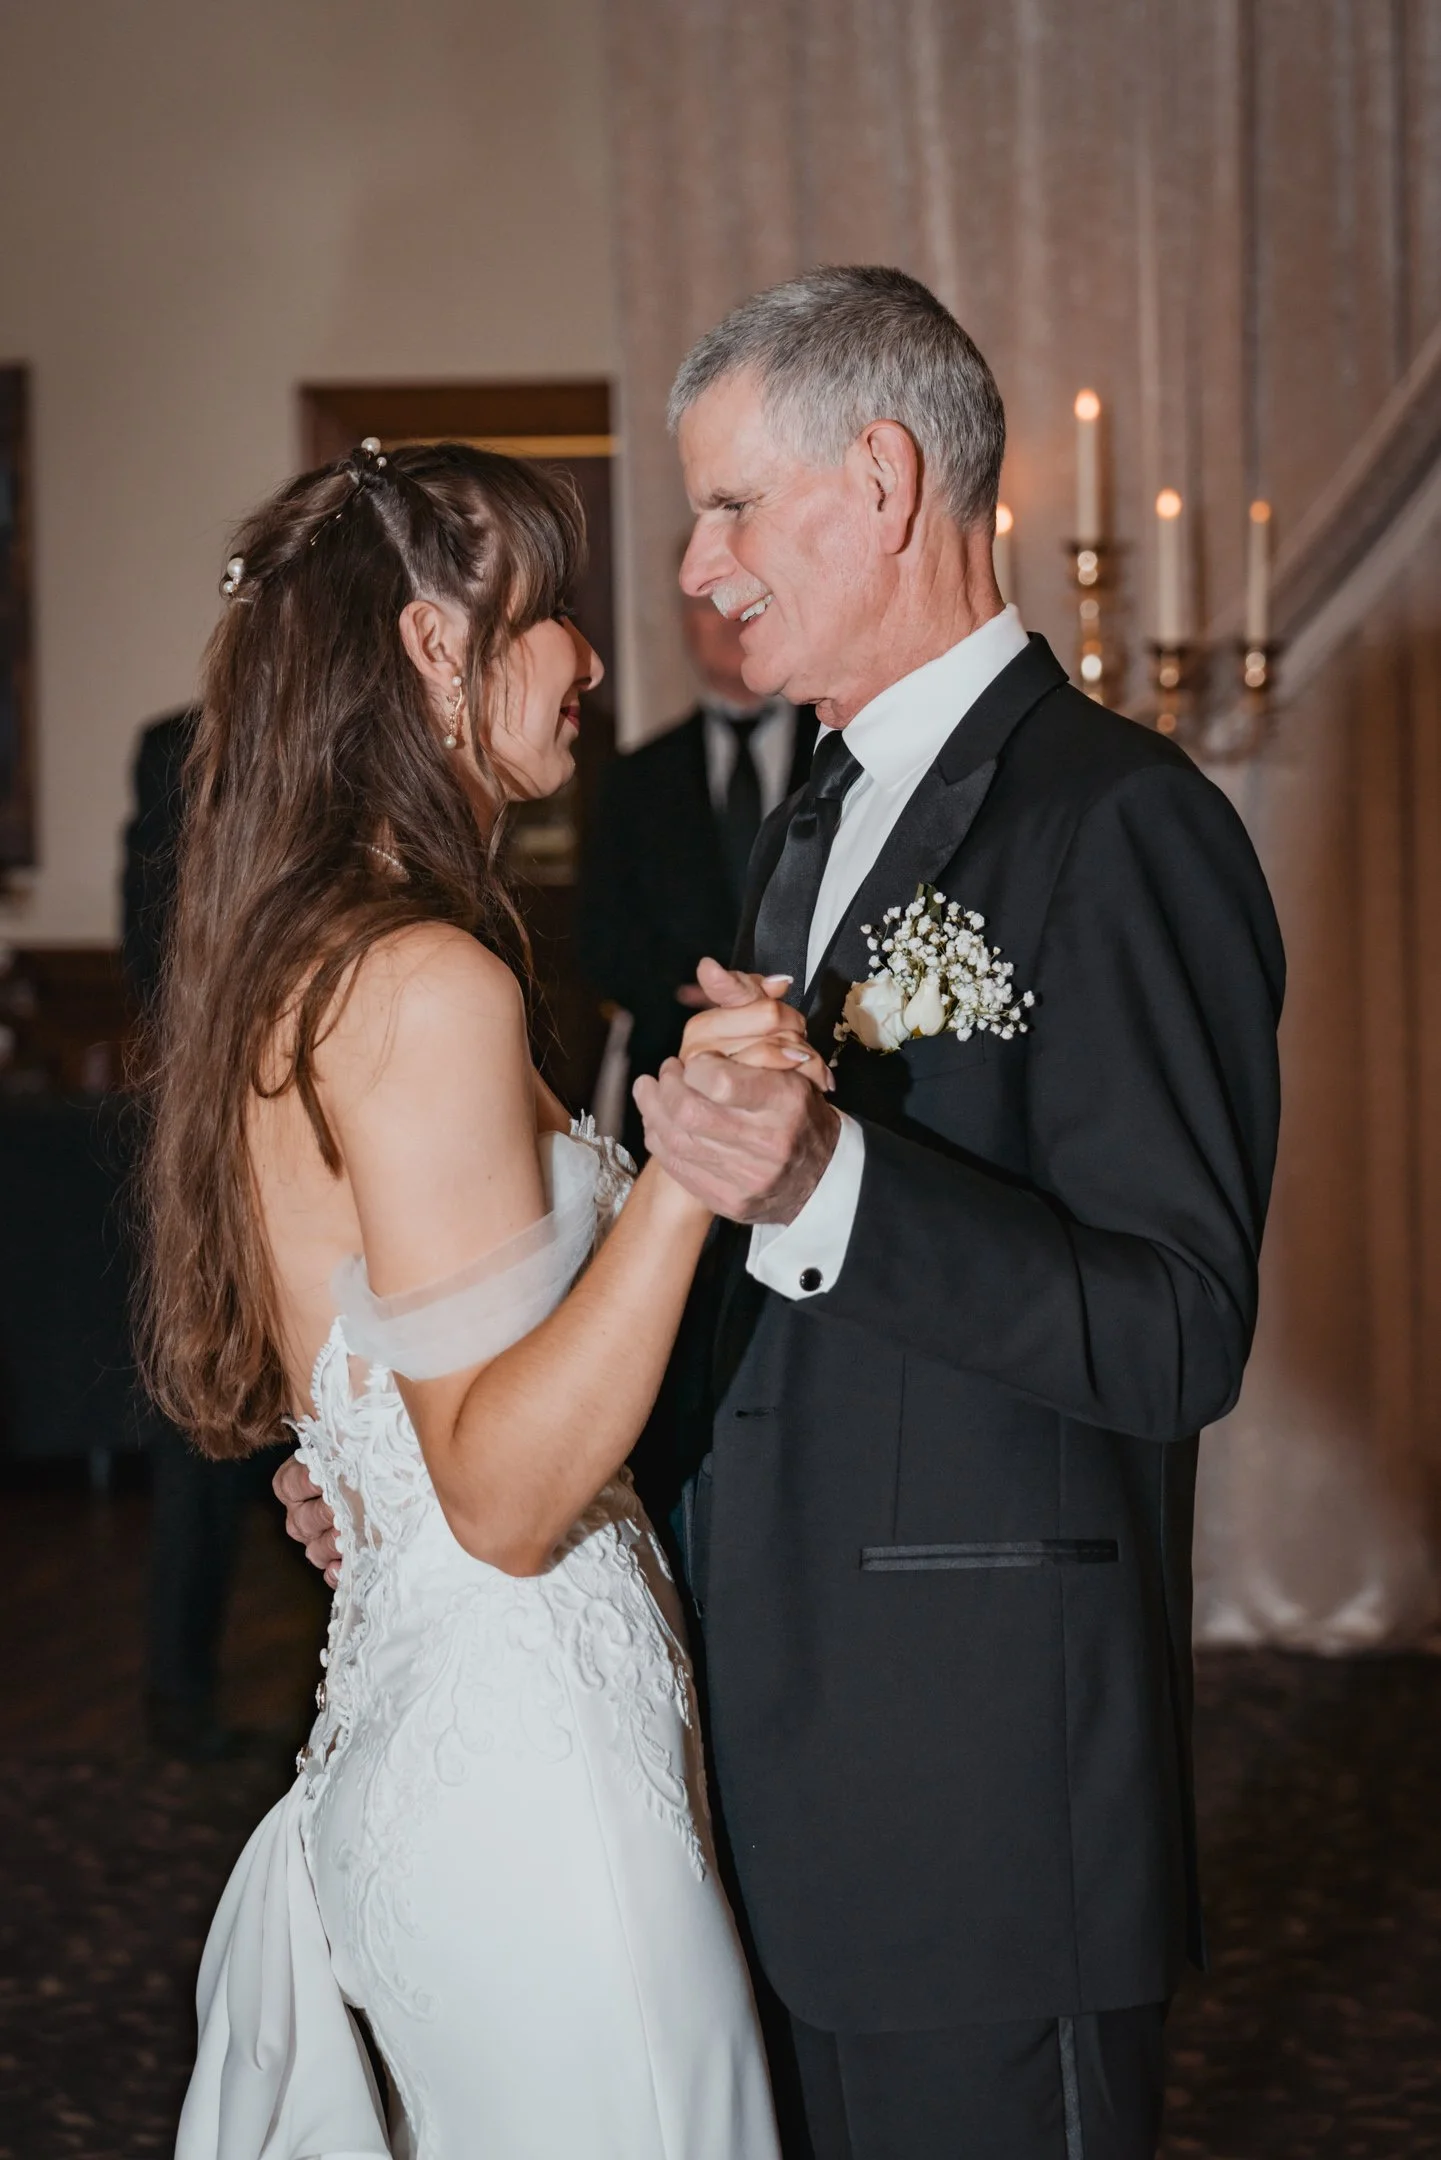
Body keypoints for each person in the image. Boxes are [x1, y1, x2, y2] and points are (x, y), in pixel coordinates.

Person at [282, 269, 1285, 2160]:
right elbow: (749, 1332)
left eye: (734, 505)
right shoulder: (808, 824)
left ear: (884, 481)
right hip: (747, 1784)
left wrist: (836, 1184)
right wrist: (413, 1470)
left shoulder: (1117, 822)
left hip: (979, 1816)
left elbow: (1177, 1332)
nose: (697, 567)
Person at [144, 441, 817, 2157]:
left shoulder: (316, 956)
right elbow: (503, 1498)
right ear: (438, 646)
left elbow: (395, 1412)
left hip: (451, 1744)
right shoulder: (423, 981)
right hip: (531, 1782)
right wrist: (693, 1161)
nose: (589, 655)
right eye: (551, 612)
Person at [123, 706, 285, 1761]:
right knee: (203, 1434)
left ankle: (339, 1697)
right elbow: (148, 950)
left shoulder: (331, 736)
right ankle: (176, 1696)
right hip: (215, 1139)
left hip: (323, 1121)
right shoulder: (173, 750)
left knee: (332, 1421)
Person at [579, 588, 811, 1161]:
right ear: (685, 623)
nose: (730, 620)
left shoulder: (842, 755)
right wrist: (686, 991)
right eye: (710, 605)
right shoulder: (634, 779)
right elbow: (599, 938)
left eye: (747, 602)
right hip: (671, 1073)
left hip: (815, 1057)